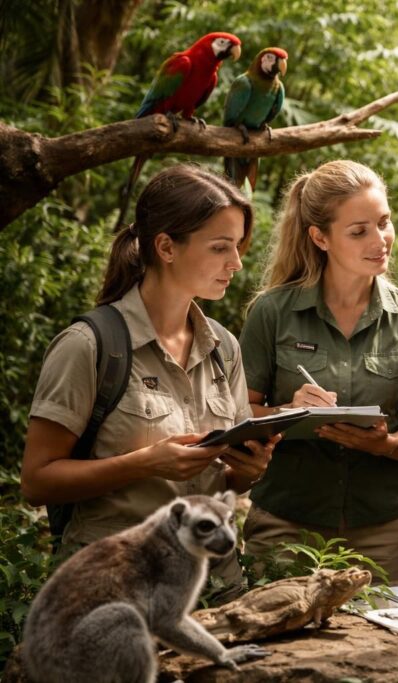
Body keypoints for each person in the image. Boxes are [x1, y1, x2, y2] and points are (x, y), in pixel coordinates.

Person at [22, 164, 274, 591]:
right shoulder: (89, 345)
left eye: (237, 247)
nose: (236, 263)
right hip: (116, 589)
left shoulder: (223, 347)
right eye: (220, 248)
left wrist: (250, 469)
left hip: (216, 587)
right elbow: (36, 481)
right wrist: (145, 464)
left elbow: (223, 480)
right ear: (166, 247)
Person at [239, 160, 398, 581]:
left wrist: (386, 445)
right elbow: (236, 416)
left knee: (385, 645)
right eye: (359, 230)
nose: (380, 240)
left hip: (384, 527)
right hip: (286, 524)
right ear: (320, 237)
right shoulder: (271, 313)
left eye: (384, 223)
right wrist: (287, 412)